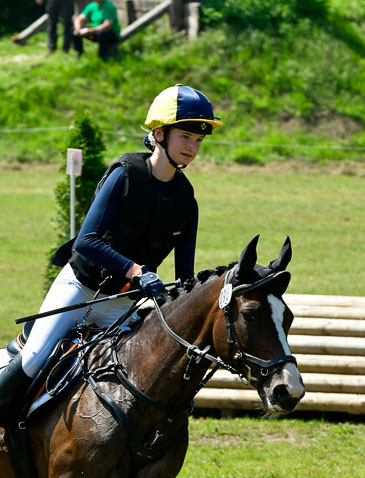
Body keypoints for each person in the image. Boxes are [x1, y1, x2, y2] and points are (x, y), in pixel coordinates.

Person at [0, 84, 222, 425]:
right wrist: (137, 271)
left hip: (121, 306)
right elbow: (86, 242)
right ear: (159, 134)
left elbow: (185, 276)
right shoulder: (125, 174)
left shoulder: (186, 201)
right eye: (185, 136)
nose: (193, 147)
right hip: (80, 288)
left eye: (198, 140)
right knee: (32, 361)